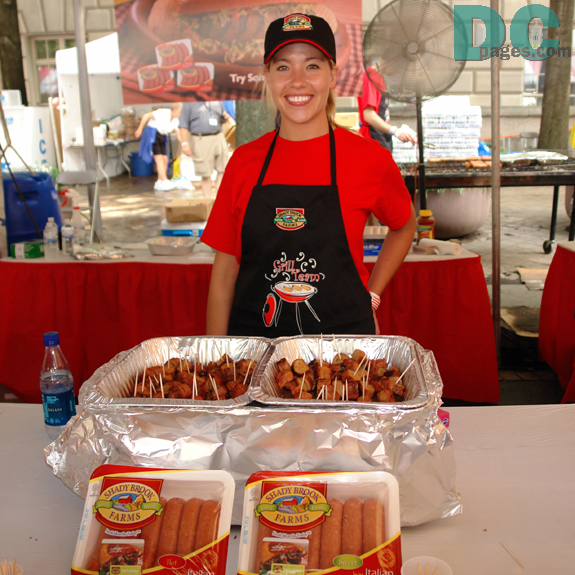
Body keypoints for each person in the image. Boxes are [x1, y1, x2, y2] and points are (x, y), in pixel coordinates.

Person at [202, 13, 416, 337]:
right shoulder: (243, 162)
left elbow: (405, 224)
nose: (297, 81)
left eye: (312, 66)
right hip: (253, 348)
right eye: (283, 67)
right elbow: (223, 275)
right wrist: (218, 355)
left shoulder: (369, 159)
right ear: (267, 76)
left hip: (343, 349)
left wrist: (371, 294)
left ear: (333, 75)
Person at [178, 101, 234, 198]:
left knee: (223, 168)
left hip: (218, 136)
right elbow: (183, 125)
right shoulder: (188, 103)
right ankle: (207, 200)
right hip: (200, 138)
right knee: (205, 173)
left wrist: (225, 118)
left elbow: (222, 117)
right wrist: (184, 143)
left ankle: (220, 199)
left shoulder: (216, 101)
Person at [358, 68, 416, 150]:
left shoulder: (380, 78)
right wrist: (396, 131)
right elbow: (368, 115)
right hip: (372, 141)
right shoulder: (369, 77)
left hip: (382, 139)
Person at [135, 103, 182, 191]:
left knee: (165, 159)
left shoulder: (176, 120)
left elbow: (178, 134)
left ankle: (159, 182)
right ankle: (164, 180)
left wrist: (184, 143)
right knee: (159, 158)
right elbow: (146, 116)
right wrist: (140, 129)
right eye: (180, 111)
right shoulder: (163, 113)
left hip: (162, 136)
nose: (181, 114)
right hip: (152, 133)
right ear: (175, 110)